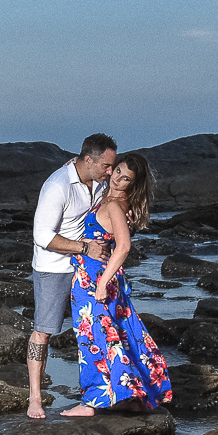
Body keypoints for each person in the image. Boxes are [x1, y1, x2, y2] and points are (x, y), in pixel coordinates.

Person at [61, 152, 172, 417]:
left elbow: (123, 247)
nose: (118, 179)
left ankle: (91, 402)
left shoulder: (114, 205)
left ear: (133, 185)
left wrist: (102, 284)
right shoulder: (107, 197)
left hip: (96, 279)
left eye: (126, 179)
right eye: (118, 171)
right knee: (119, 334)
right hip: (96, 276)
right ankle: (131, 397)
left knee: (93, 339)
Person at [28, 134, 118, 419]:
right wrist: (85, 247)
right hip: (54, 268)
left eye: (111, 166)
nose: (109, 171)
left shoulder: (98, 181)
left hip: (86, 268)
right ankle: (35, 398)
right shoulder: (58, 185)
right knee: (44, 331)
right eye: (105, 165)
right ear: (88, 160)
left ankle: (101, 394)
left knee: (96, 329)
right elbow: (41, 235)